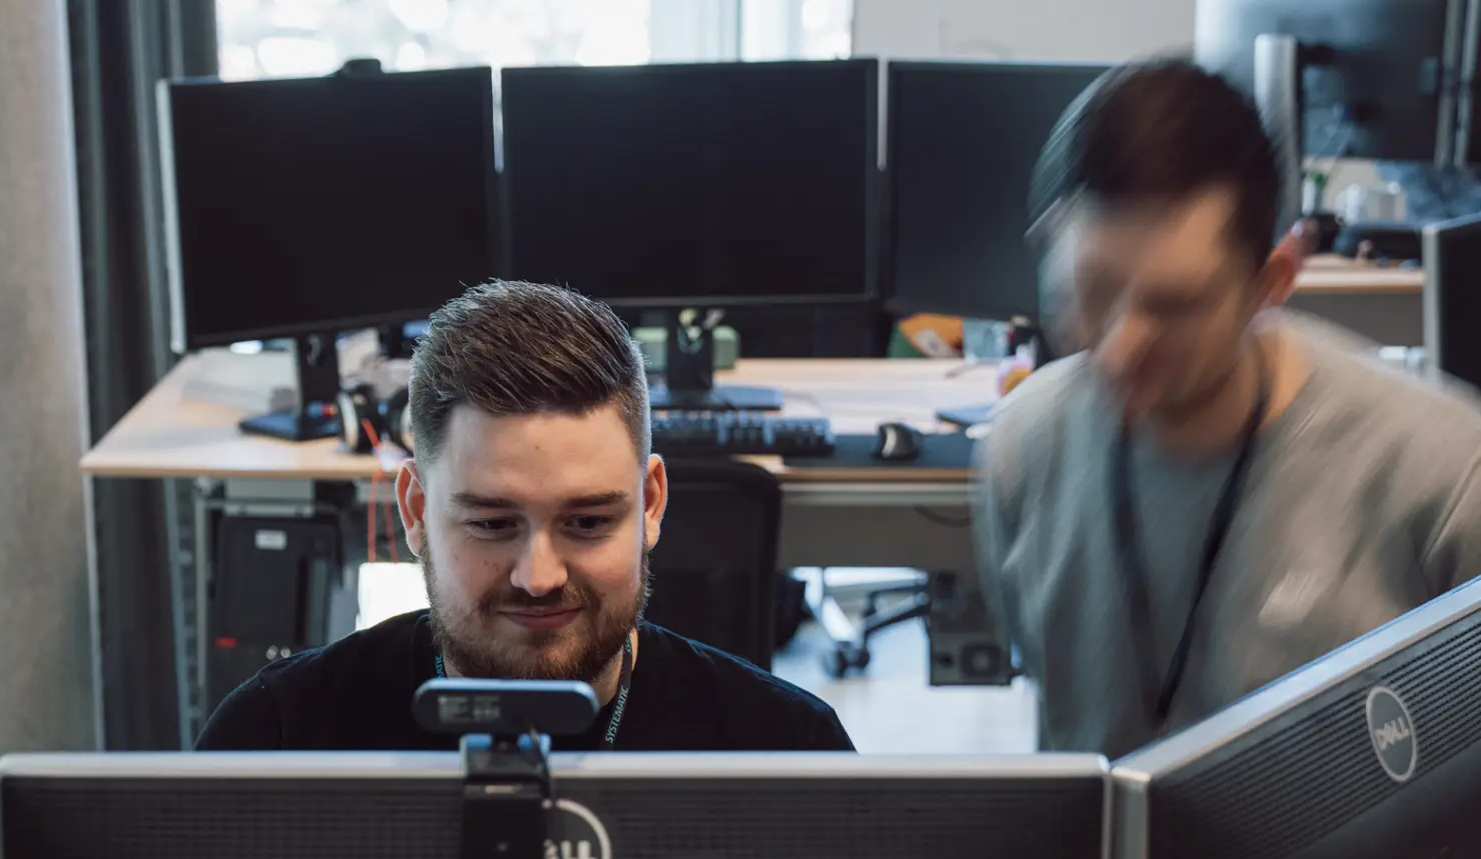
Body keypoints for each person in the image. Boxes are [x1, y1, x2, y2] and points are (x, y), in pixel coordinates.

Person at [976, 60, 1481, 759]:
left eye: (1175, 305)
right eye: (1092, 289)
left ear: (1270, 284)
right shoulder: (1023, 448)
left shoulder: (1445, 478)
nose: (1120, 348)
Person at [198, 279, 852, 752]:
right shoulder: (275, 740)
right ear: (416, 510)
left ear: (652, 502)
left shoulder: (788, 751)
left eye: (588, 523)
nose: (538, 578)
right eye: (492, 524)